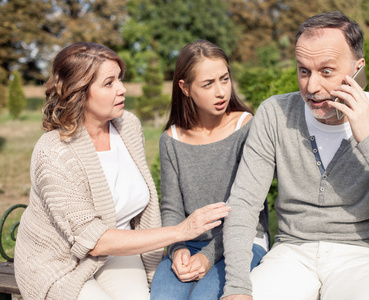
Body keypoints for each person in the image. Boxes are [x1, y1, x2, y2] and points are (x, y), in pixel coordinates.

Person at [221, 11, 369, 300]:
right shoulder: (274, 114)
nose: (312, 87)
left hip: (367, 256)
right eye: (303, 71)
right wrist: (237, 288)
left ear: (358, 69)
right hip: (292, 253)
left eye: (326, 71)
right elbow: (244, 204)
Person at [14, 42, 231, 300]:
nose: (122, 89)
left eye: (120, 79)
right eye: (109, 83)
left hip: (117, 254)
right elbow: (95, 241)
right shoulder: (53, 152)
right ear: (79, 92)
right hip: (59, 264)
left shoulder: (127, 125)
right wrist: (181, 232)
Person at [150, 40, 269, 300]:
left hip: (243, 240)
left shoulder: (246, 128)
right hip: (189, 241)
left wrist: (207, 256)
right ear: (185, 88)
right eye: (208, 84)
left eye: (224, 79)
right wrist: (177, 248)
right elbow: (171, 207)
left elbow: (247, 209)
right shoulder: (170, 140)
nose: (221, 92)